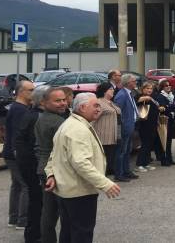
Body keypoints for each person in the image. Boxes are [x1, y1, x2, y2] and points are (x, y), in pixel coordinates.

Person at [44, 93, 121, 243]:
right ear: (82, 107)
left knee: (69, 232)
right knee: (81, 234)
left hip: (69, 191)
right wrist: (105, 184)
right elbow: (81, 163)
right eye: (96, 105)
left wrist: (50, 174)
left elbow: (55, 154)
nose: (99, 109)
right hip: (79, 193)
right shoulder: (77, 129)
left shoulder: (70, 124)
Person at [35, 87, 70, 243]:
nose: (63, 103)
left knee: (49, 213)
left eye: (64, 99)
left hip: (45, 168)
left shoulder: (42, 117)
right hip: (54, 171)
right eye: (57, 101)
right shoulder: (58, 122)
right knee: (62, 214)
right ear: (44, 102)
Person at [15, 85, 46, 242]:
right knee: (37, 202)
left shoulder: (32, 114)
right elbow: (34, 146)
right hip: (33, 167)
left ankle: (34, 234)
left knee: (37, 201)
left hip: (29, 164)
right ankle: (34, 235)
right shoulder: (36, 117)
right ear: (43, 101)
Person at [4, 80, 34, 231]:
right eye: (31, 90)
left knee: (17, 185)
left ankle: (14, 218)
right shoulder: (20, 110)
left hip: (10, 152)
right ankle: (22, 220)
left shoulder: (19, 108)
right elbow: (17, 134)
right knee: (25, 185)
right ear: (21, 92)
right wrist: (19, 155)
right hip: (16, 154)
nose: (34, 92)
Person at [113, 73, 140, 182]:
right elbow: (118, 112)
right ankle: (119, 174)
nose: (136, 83)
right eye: (134, 81)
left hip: (130, 126)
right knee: (121, 151)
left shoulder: (129, 93)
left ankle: (126, 171)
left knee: (127, 150)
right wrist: (123, 124)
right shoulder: (122, 95)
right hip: (124, 127)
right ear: (128, 83)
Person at [93, 82, 120, 176]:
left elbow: (118, 111)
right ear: (104, 91)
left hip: (111, 135)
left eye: (113, 89)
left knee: (110, 156)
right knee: (103, 157)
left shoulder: (110, 102)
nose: (113, 91)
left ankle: (107, 173)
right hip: (103, 136)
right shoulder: (99, 103)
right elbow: (93, 118)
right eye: (110, 89)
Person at [135, 82, 159, 172]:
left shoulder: (153, 97)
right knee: (144, 144)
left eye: (151, 89)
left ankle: (146, 163)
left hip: (152, 124)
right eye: (147, 88)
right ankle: (139, 164)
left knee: (149, 145)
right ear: (143, 89)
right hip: (144, 125)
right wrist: (146, 97)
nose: (149, 90)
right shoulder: (139, 96)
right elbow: (136, 100)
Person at [154, 79, 175, 164]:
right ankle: (163, 160)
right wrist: (170, 106)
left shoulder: (172, 95)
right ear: (162, 87)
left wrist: (169, 106)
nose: (169, 87)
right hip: (164, 120)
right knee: (163, 140)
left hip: (171, 119)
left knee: (169, 141)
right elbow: (163, 108)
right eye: (166, 85)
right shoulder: (160, 96)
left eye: (169, 85)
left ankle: (169, 158)